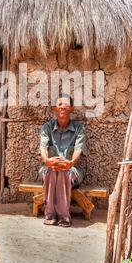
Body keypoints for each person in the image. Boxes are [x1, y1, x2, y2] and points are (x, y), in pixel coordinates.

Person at [39, 93, 87, 227]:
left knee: (65, 172)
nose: (63, 107)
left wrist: (70, 163)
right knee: (50, 170)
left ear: (71, 109)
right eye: (60, 104)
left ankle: (63, 217)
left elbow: (79, 149)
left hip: (72, 169)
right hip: (49, 167)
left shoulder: (79, 128)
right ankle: (50, 215)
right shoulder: (47, 127)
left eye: (66, 105)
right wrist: (47, 161)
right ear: (55, 108)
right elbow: (42, 147)